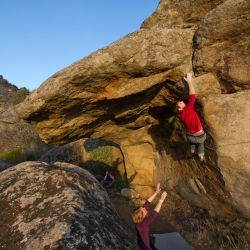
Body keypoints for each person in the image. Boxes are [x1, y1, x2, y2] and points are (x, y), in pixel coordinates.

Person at [172, 73, 207, 162]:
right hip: (199, 135)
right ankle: (201, 156)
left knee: (192, 142)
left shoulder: (179, 115)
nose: (182, 101)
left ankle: (192, 150)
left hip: (190, 136)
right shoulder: (189, 109)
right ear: (180, 108)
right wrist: (189, 82)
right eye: (180, 103)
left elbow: (179, 111)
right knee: (201, 144)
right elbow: (192, 95)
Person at [132, 183, 167, 250]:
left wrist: (156, 191)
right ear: (142, 216)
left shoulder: (138, 220)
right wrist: (161, 200)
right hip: (144, 247)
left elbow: (147, 203)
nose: (145, 208)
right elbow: (154, 214)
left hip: (141, 243)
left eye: (142, 208)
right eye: (143, 210)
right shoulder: (143, 224)